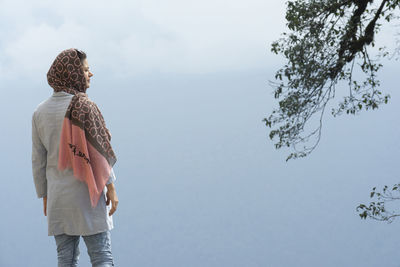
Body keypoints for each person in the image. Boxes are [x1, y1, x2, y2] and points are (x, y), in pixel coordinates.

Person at [32, 48, 118, 267]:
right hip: (88, 194)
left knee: (66, 259)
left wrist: (44, 195)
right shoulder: (85, 106)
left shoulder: (39, 112)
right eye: (86, 69)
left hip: (59, 197)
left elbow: (38, 159)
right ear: (73, 73)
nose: (91, 74)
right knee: (101, 256)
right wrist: (111, 188)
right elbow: (99, 153)